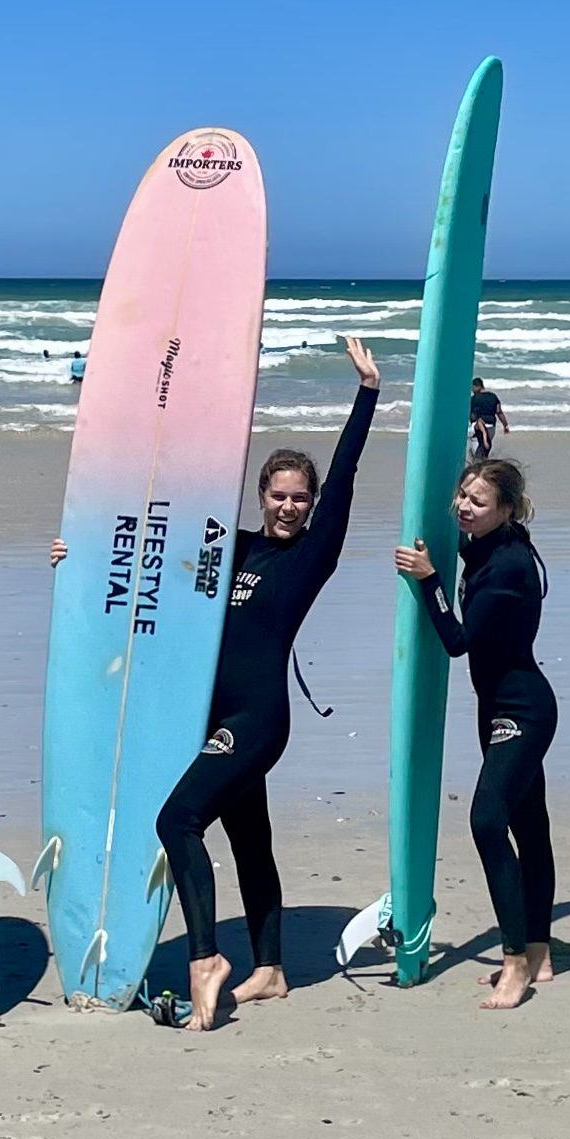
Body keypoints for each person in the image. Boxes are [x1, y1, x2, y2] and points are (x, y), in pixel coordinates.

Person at [144, 338, 381, 1028]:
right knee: (250, 842)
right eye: (277, 496)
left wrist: (366, 395)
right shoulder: (234, 548)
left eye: (298, 498)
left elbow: (345, 476)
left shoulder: (312, 554)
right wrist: (72, 555)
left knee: (177, 819)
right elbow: (154, 540)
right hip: (214, 710)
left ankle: (207, 958)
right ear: (260, 496)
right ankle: (272, 969)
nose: (288, 507)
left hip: (254, 718)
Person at [395, 457, 555, 1011]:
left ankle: (515, 961)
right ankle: (539, 949)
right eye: (462, 495)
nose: (464, 506)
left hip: (522, 710)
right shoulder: (487, 547)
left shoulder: (507, 564)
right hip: (498, 707)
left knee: (487, 819)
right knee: (529, 825)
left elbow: (459, 640)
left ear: (505, 510)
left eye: (478, 501)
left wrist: (428, 580)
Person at [467, 377, 508, 464]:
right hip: (491, 428)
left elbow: (470, 414)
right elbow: (499, 412)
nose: (472, 390)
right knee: (484, 450)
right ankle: (484, 466)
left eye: (473, 388)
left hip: (477, 427)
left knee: (476, 453)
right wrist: (505, 425)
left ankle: (477, 469)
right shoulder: (493, 397)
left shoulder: (474, 399)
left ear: (477, 386)